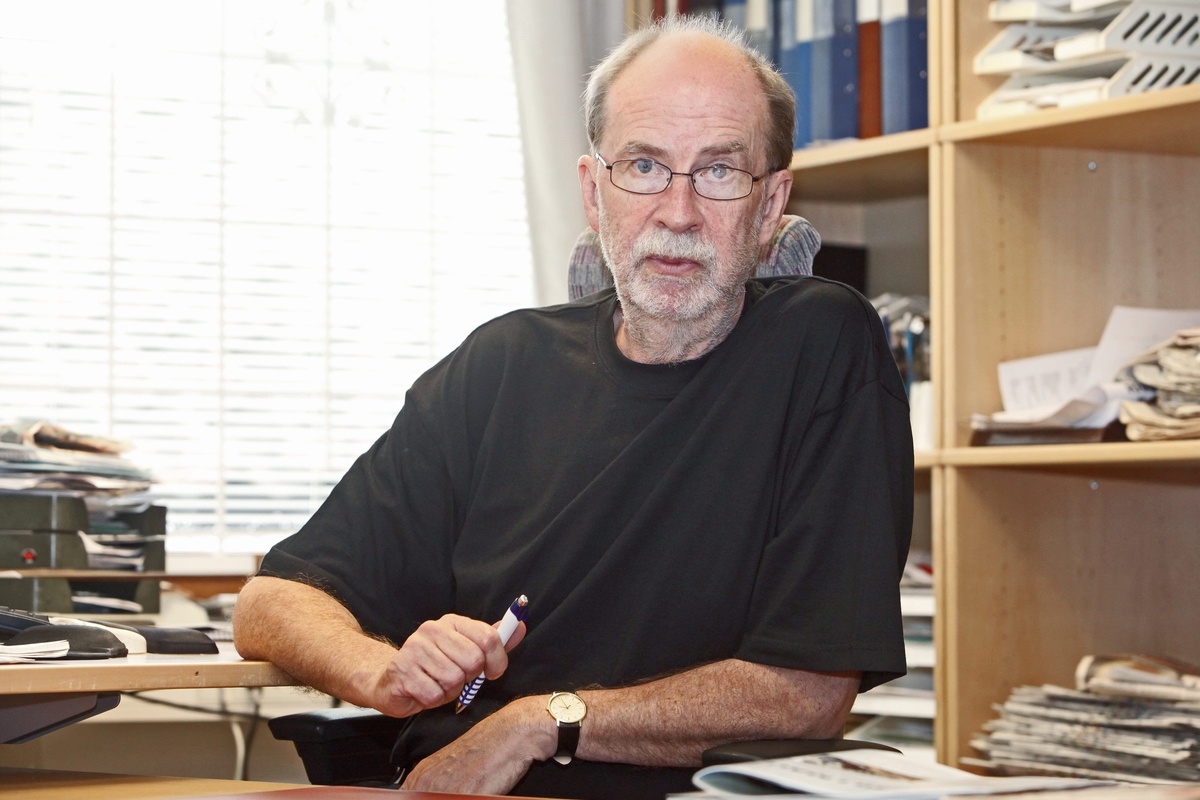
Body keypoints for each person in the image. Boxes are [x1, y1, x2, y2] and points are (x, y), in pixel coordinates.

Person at [233, 14, 913, 800]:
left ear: (769, 207)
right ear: (594, 192)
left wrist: (538, 722)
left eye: (720, 171)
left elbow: (807, 695)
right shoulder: (502, 364)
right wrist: (384, 672)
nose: (679, 212)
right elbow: (272, 601)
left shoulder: (821, 347)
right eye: (645, 166)